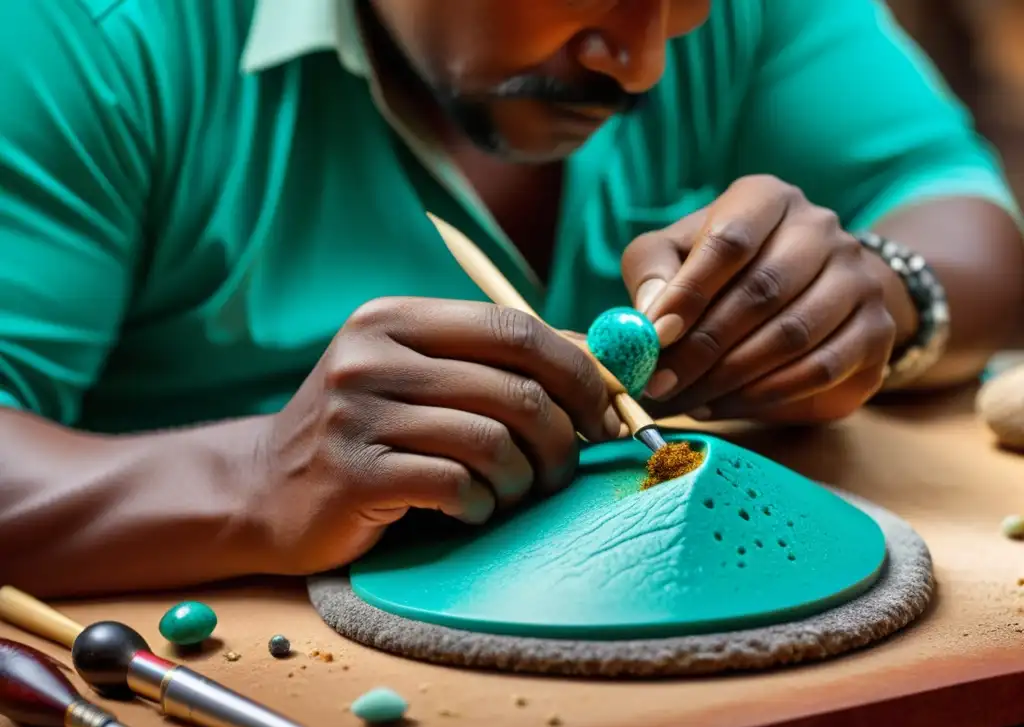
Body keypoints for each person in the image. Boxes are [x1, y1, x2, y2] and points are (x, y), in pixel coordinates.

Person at [1, 0, 1022, 598]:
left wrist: (883, 298)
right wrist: (252, 477)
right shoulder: (89, 37)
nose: (644, 63)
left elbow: (959, 207)